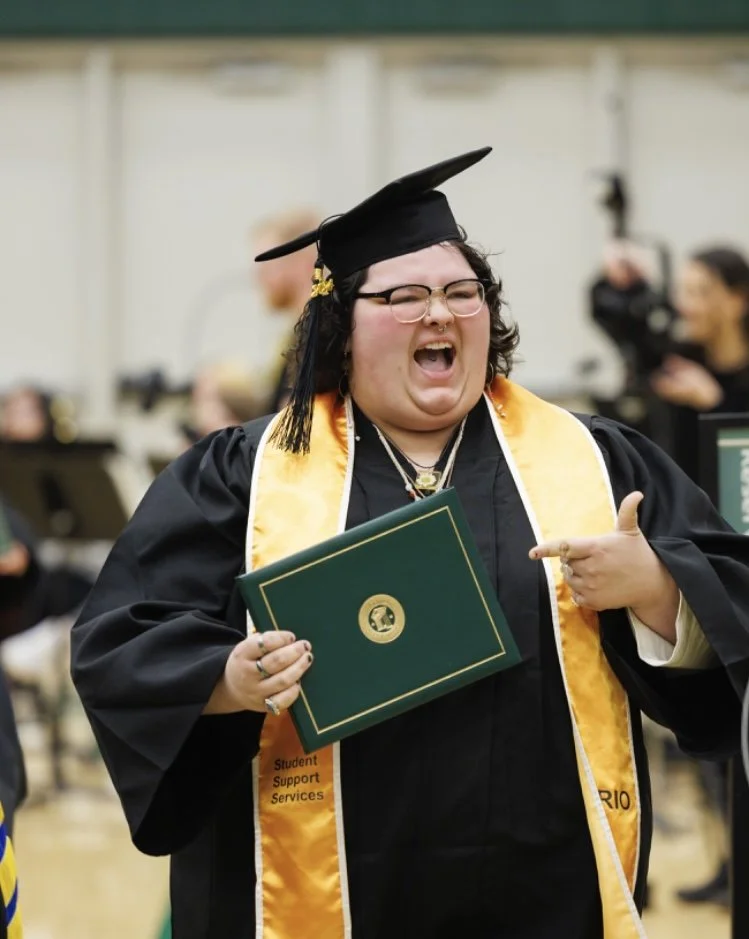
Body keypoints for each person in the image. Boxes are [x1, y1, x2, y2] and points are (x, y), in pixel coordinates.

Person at [70, 147, 749, 939]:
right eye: (405, 296)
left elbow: (732, 607)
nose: (439, 313)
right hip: (331, 890)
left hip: (546, 887)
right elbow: (123, 638)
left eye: (463, 293)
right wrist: (224, 677)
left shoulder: (594, 460)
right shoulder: (242, 477)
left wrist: (658, 589)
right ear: (340, 326)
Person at [651, 246, 749, 483]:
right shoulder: (678, 362)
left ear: (737, 301)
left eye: (700, 293)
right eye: (683, 292)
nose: (686, 306)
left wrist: (715, 405)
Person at [252, 208, 321, 411]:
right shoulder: (297, 333)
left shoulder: (318, 338)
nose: (258, 278)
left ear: (302, 262)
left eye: (267, 265)